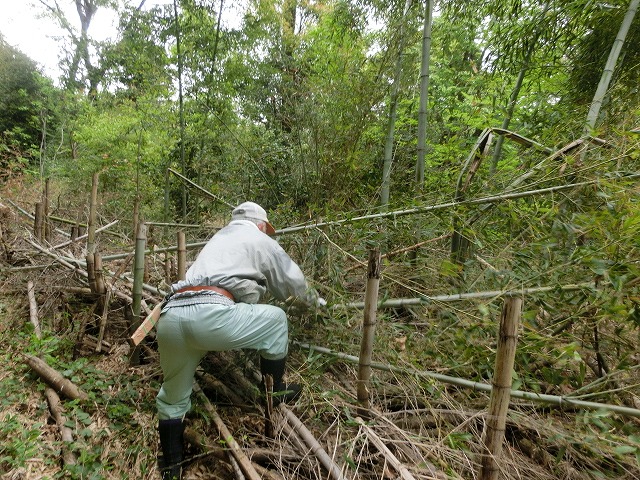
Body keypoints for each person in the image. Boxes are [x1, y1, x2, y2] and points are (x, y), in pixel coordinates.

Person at [155, 201, 326, 480]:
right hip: (211, 317)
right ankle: (275, 391)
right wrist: (317, 304)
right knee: (276, 320)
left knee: (173, 397)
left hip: (171, 317)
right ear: (261, 225)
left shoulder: (217, 239)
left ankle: (171, 467)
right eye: (266, 229)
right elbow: (292, 284)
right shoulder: (258, 238)